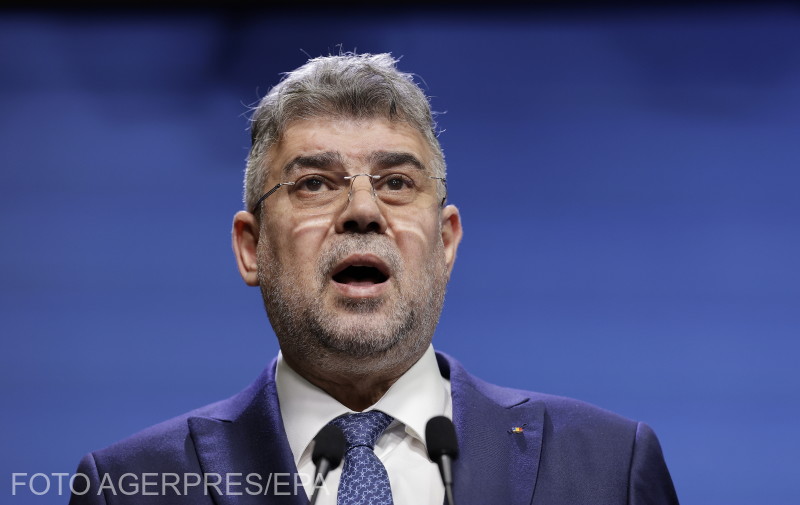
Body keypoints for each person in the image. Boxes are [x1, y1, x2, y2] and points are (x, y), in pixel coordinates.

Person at [69, 53, 679, 505]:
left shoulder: (608, 468)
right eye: (315, 183)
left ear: (445, 243)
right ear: (252, 248)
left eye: (396, 183)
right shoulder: (129, 487)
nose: (363, 210)